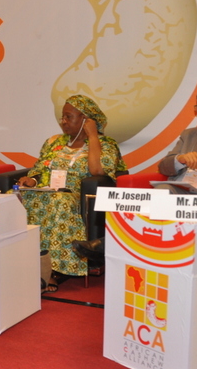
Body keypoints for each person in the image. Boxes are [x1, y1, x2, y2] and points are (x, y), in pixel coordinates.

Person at [72, 82, 197, 263]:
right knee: (152, 193)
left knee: (161, 194)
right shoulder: (190, 135)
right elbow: (163, 166)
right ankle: (115, 243)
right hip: (178, 190)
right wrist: (180, 159)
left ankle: (108, 245)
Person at [15, 95, 125, 290]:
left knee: (59, 201)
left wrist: (92, 136)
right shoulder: (54, 142)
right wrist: (32, 180)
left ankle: (51, 269)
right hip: (47, 190)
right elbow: (40, 168)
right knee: (14, 196)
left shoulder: (106, 144)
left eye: (69, 117)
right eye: (62, 117)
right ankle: (17, 260)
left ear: (86, 119)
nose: (63, 121)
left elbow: (97, 171)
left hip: (75, 194)